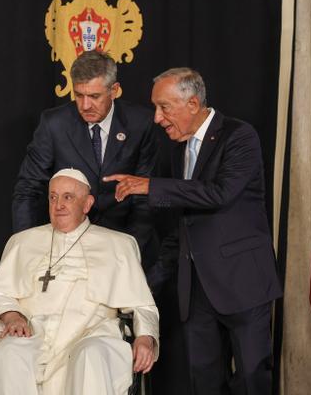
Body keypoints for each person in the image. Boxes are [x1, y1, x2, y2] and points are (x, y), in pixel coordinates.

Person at [105, 68, 282, 395]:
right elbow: (182, 223)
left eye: (164, 107)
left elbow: (220, 193)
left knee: (251, 379)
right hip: (195, 290)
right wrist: (148, 282)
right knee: (203, 383)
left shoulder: (239, 136)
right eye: (156, 108)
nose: (157, 118)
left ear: (193, 103)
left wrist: (150, 186)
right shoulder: (174, 149)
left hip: (242, 282)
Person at [0, 168, 159, 395]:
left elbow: (143, 305)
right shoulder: (22, 242)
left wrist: (145, 337)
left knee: (90, 356)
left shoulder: (119, 245)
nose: (58, 205)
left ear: (87, 204)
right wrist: (13, 316)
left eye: (68, 197)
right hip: (33, 333)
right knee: (6, 355)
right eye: (53, 197)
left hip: (92, 333)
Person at [12, 50, 157, 267]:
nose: (85, 105)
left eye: (95, 96)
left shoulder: (141, 123)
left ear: (114, 90)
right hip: (63, 245)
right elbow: (28, 189)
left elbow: (145, 194)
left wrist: (131, 249)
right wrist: (28, 247)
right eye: (79, 95)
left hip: (122, 241)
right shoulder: (54, 124)